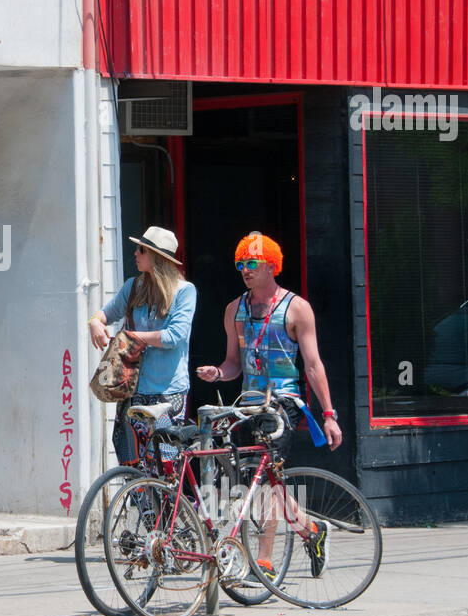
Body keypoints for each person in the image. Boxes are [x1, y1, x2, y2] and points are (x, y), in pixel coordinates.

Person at [195, 232, 340, 576]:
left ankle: (264, 560)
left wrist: (329, 414)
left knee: (264, 480)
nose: (244, 270)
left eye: (252, 263)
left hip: (282, 405)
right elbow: (233, 363)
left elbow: (313, 364)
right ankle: (311, 529)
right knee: (253, 482)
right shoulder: (235, 309)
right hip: (247, 404)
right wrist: (217, 373)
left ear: (271, 265)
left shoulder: (296, 308)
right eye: (240, 264)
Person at [88, 226, 197, 468]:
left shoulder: (185, 291)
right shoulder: (133, 287)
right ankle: (144, 508)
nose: (135, 254)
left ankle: (170, 507)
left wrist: (132, 336)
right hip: (133, 390)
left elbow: (174, 336)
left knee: (165, 464)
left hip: (169, 393)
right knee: (132, 464)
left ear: (156, 257)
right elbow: (106, 314)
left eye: (141, 249)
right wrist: (95, 322)